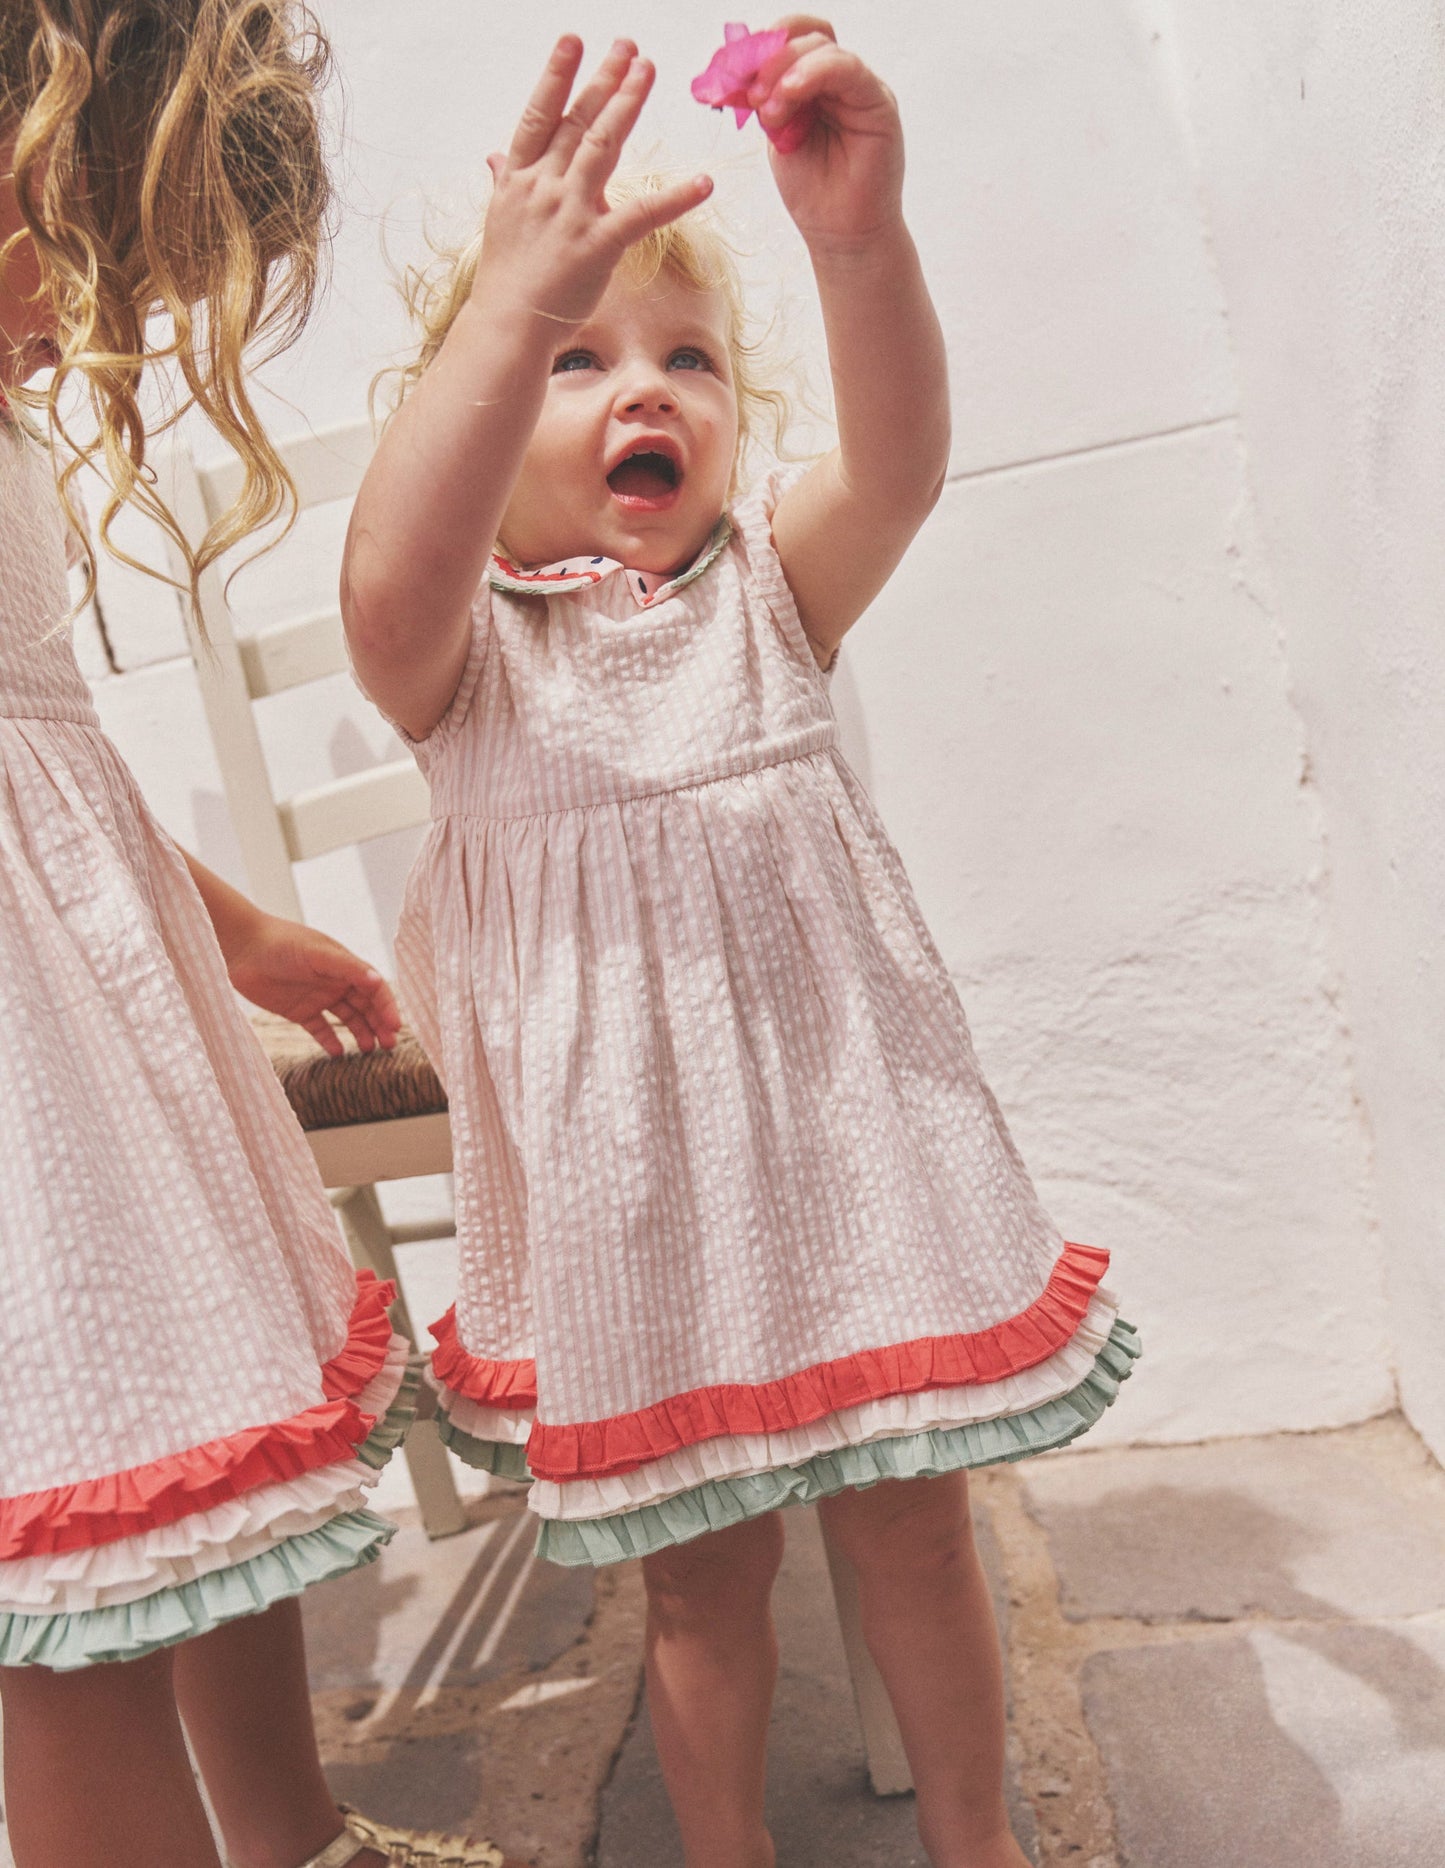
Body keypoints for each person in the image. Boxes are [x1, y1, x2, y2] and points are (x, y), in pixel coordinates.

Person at [342, 21, 1141, 1868]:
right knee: (701, 1590)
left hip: (849, 1155)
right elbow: (386, 567)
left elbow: (905, 461)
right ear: (473, 413)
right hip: (629, 1207)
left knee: (918, 1530)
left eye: (686, 358)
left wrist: (856, 246)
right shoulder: (465, 665)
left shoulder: (770, 594)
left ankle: (977, 1836)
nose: (649, 391)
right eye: (574, 359)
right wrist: (497, 307)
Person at [0, 5, 520, 1866]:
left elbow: (38, 746)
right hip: (25, 1081)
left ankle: (296, 1840)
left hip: (97, 1002)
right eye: (96, 274)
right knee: (75, 1601)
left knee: (209, 1451)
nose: (95, 334)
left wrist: (236, 937)